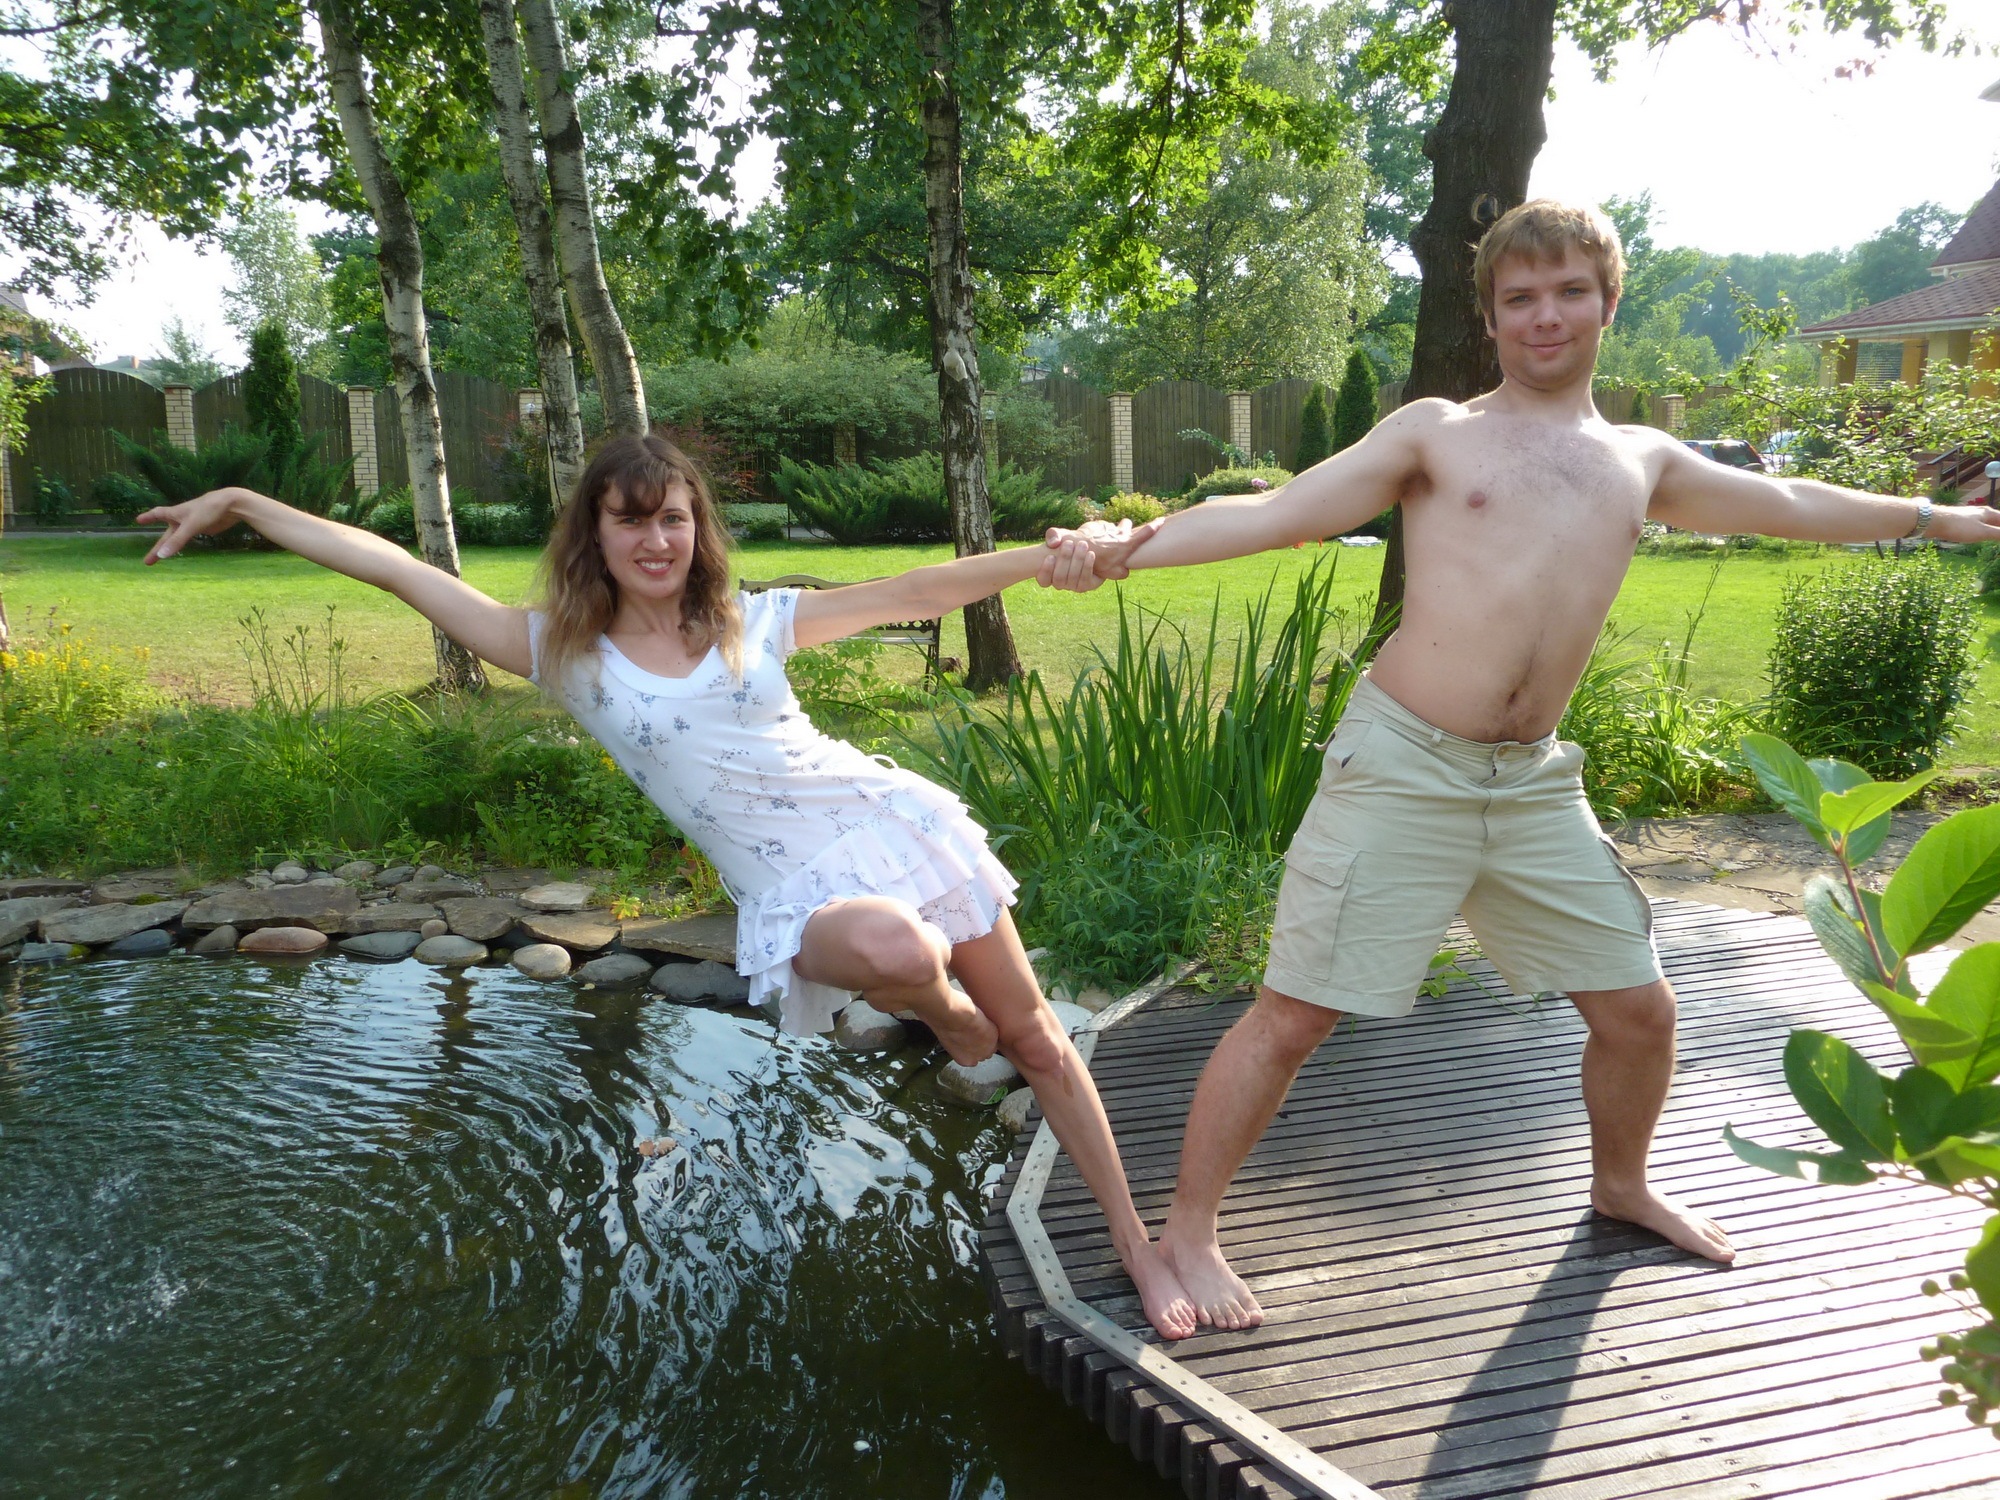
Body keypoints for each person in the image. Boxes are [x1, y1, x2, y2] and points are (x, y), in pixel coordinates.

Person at [1064, 198, 2000, 1332]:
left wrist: (1929, 516)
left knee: (1639, 1011)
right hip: (1402, 769)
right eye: (1519, 298)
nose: (1544, 315)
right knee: (1293, 1016)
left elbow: (1791, 500)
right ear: (1491, 317)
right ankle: (1188, 1234)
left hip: (1533, 786)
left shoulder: (1643, 459)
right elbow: (1274, 510)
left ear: (1608, 302)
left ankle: (1620, 1186)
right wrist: (1123, 546)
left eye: (1568, 292)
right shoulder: (1435, 433)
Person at [138, 433, 1199, 1340]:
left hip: (891, 823)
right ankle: (947, 1017)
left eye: (674, 519)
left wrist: (1059, 556)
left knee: (1042, 1041)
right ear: (594, 534)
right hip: (797, 894)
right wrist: (242, 502)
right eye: (630, 520)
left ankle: (1138, 1246)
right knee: (898, 952)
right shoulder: (559, 652)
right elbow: (393, 569)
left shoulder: (754, 620)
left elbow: (919, 589)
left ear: (697, 529)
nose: (655, 540)